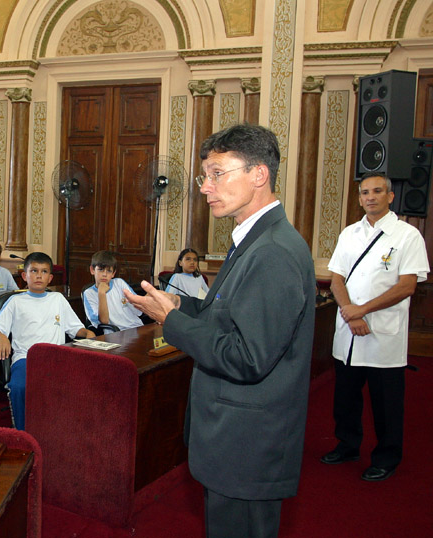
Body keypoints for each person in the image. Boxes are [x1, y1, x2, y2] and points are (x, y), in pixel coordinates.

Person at [124, 124, 316, 538]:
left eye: (217, 174)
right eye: (204, 176)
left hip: (247, 445)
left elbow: (248, 357)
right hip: (237, 440)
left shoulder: (274, 253)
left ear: (259, 174)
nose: (206, 188)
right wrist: (176, 305)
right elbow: (227, 314)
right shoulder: (255, 240)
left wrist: (172, 323)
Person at [321, 173, 429, 482]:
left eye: (377, 191)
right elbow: (336, 278)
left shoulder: (407, 236)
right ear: (359, 198)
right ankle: (348, 445)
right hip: (349, 330)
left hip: (383, 335)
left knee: (386, 404)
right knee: (345, 397)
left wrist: (363, 310)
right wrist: (350, 314)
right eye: (365, 192)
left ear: (390, 196)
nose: (371, 197)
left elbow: (407, 286)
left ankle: (386, 456)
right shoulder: (350, 233)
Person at [0, 252, 95, 430]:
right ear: (24, 276)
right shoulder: (16, 301)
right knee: (19, 386)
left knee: (79, 382)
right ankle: (23, 432)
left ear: (50, 277)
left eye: (44, 272)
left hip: (57, 356)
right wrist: (1, 336)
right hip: (26, 358)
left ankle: (64, 428)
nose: (39, 276)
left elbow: (76, 328)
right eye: (34, 271)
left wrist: (88, 333)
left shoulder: (58, 299)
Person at [82, 250, 144, 331]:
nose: (104, 274)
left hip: (136, 328)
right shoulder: (89, 293)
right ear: (92, 270)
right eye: (100, 270)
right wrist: (101, 293)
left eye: (109, 271)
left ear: (113, 273)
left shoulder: (119, 283)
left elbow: (139, 310)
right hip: (114, 333)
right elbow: (104, 321)